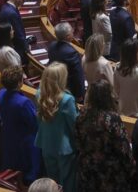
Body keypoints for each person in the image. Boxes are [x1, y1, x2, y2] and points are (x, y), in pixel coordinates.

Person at [75, 80, 135, 191]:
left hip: (88, 171)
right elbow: (123, 149)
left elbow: (78, 143)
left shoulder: (82, 115)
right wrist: (131, 169)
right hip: (109, 174)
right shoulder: (112, 118)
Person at [36, 63, 78, 192]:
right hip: (64, 148)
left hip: (46, 143)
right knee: (67, 183)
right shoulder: (67, 99)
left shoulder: (39, 94)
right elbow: (74, 126)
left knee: (52, 181)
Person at [0, 66, 41, 184]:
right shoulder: (24, 102)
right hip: (25, 140)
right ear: (19, 83)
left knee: (13, 164)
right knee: (28, 169)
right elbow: (34, 123)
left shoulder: (1, 94)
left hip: (8, 135)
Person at [47, 22, 86, 101]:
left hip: (54, 84)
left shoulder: (52, 46)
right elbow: (77, 75)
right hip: (68, 90)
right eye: (72, 31)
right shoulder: (72, 53)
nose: (73, 32)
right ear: (68, 36)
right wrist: (80, 94)